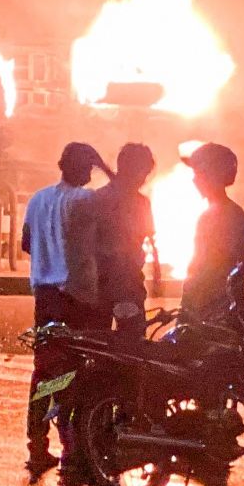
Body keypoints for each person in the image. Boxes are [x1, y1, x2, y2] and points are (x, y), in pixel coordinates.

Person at [23, 141, 110, 483]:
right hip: (74, 299)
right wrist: (108, 165)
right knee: (75, 373)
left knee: (44, 372)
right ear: (79, 168)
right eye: (89, 167)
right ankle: (72, 449)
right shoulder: (86, 201)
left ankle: (36, 445)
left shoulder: (38, 199)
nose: (91, 173)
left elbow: (27, 243)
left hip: (44, 298)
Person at [94, 143, 161, 340]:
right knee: (132, 342)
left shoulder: (99, 198)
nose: (144, 179)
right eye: (143, 173)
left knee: (98, 340)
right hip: (126, 284)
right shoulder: (140, 203)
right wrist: (156, 271)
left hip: (101, 283)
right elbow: (149, 239)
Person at [180, 143, 244, 321]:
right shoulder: (228, 212)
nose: (194, 180)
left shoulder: (220, 215)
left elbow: (210, 265)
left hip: (212, 308)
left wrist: (190, 298)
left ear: (212, 175)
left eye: (198, 174)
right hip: (216, 305)